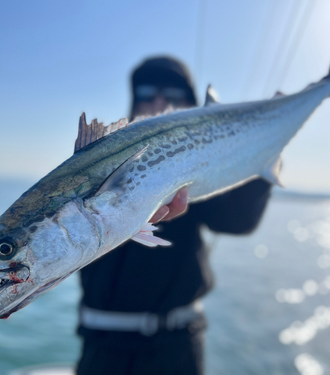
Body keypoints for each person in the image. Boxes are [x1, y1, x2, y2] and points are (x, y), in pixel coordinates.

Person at [76, 56, 272, 375]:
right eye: (146, 92)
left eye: (172, 95)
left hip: (178, 347)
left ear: (190, 104)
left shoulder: (203, 165)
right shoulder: (102, 163)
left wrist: (264, 150)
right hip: (102, 347)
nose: (158, 101)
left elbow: (238, 221)